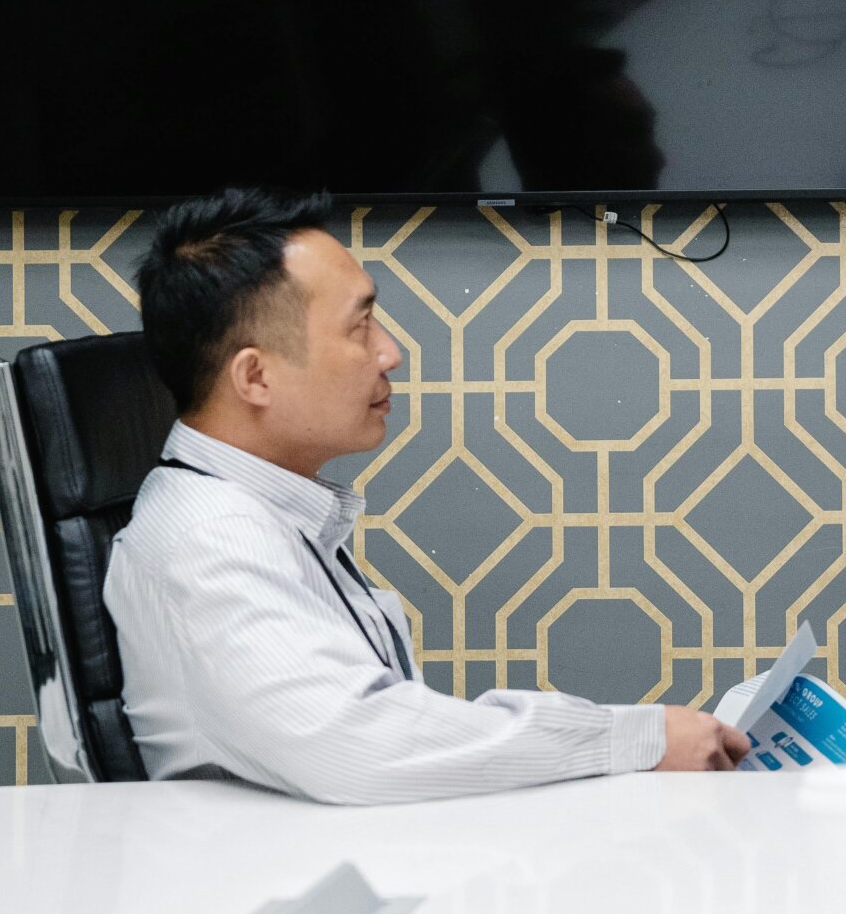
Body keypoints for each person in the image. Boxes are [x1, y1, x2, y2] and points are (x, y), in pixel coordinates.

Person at [104, 187, 759, 802]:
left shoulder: (263, 513)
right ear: (256, 376)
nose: (389, 352)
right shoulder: (213, 538)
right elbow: (355, 742)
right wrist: (634, 740)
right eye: (360, 326)